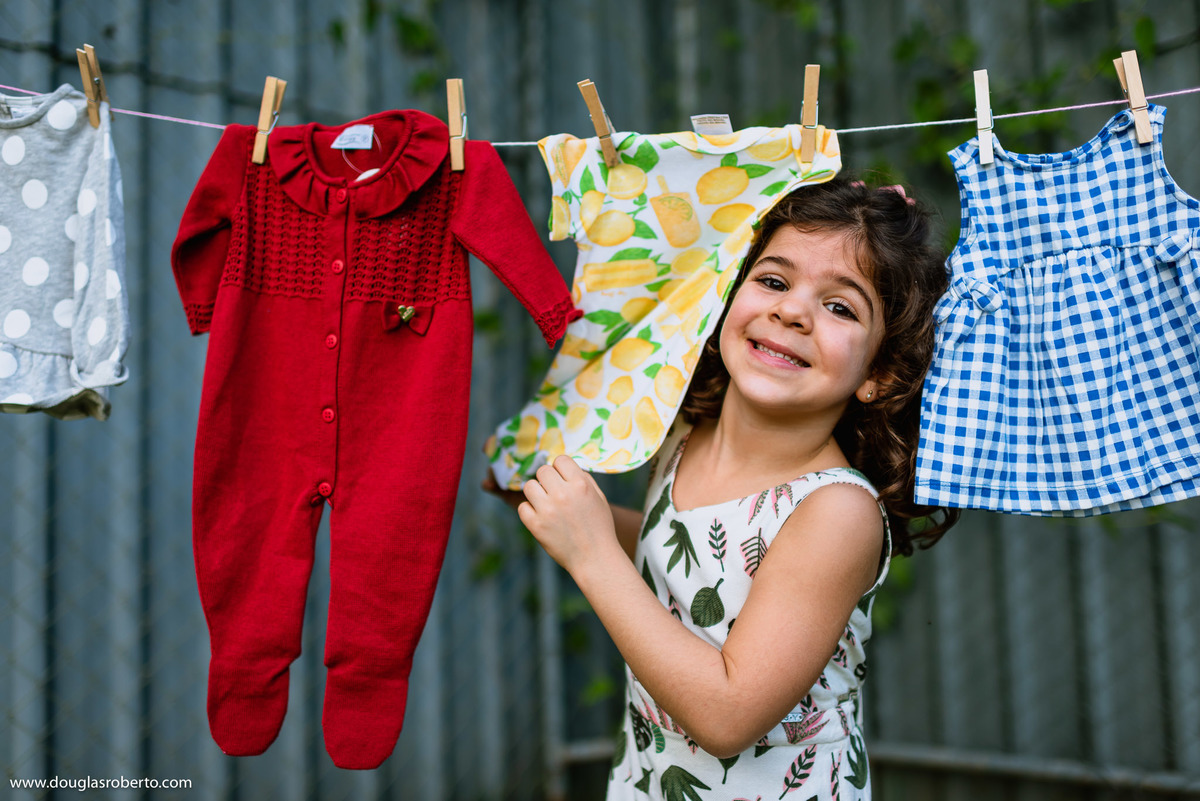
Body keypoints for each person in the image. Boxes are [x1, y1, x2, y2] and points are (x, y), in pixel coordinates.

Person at [485, 175, 959, 799]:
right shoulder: (687, 430)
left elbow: (728, 715)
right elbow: (683, 557)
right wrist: (558, 505)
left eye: (840, 306)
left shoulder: (834, 511)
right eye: (773, 281)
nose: (792, 311)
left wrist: (591, 552)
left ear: (879, 371)